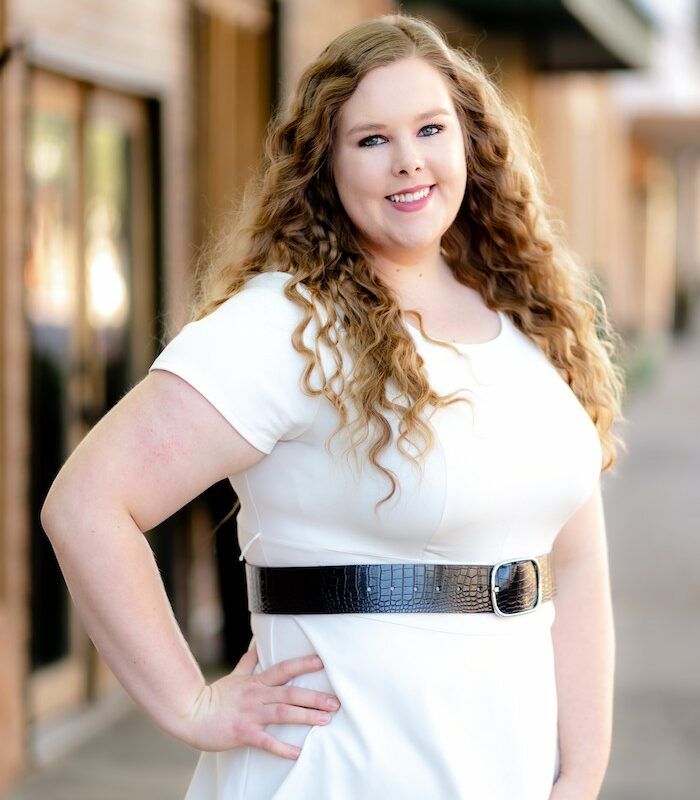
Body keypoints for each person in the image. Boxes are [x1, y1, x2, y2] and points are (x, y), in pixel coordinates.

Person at [40, 12, 624, 800]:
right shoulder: (284, 325)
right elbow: (86, 504)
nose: (409, 161)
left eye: (430, 128)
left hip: (505, 772)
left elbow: (577, 563)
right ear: (325, 164)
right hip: (342, 771)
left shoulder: (528, 317)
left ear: (470, 142)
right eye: (372, 139)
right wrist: (190, 703)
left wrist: (580, 773)